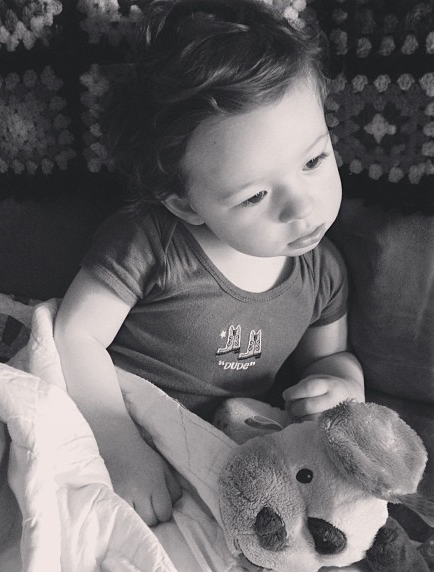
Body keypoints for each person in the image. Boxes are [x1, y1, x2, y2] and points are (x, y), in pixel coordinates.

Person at [54, 0, 365, 526]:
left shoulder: (322, 272)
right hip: (130, 425)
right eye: (254, 196)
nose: (301, 206)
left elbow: (328, 359)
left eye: (314, 160)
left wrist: (342, 387)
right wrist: (119, 446)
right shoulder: (150, 242)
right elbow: (75, 336)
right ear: (185, 205)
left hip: (237, 453)